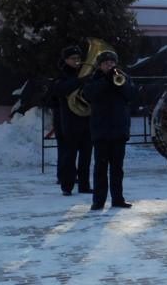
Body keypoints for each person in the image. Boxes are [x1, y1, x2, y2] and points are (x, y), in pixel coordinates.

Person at [83, 50, 136, 211]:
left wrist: (121, 83)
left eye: (112, 62)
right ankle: (98, 201)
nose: (110, 65)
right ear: (100, 65)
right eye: (106, 63)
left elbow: (132, 95)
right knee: (100, 167)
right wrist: (105, 81)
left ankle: (118, 199)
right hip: (101, 130)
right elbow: (89, 95)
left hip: (119, 129)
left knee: (117, 168)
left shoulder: (123, 77)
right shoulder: (93, 79)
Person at [52, 45, 92, 196]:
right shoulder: (62, 75)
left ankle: (84, 185)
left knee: (86, 154)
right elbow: (60, 90)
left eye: (78, 58)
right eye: (73, 59)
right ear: (66, 60)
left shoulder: (85, 74)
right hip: (68, 120)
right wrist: (79, 80)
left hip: (86, 119)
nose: (77, 61)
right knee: (69, 154)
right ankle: (67, 186)